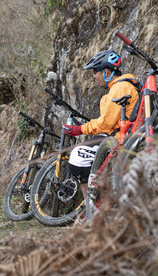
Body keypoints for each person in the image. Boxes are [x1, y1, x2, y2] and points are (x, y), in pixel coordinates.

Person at [62, 49, 139, 219]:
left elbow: (106, 123)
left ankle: (93, 210)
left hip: (120, 138)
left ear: (105, 72)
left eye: (95, 72)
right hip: (119, 134)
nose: (93, 76)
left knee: (77, 157)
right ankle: (97, 205)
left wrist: (80, 129)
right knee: (90, 158)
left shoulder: (120, 87)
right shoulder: (120, 87)